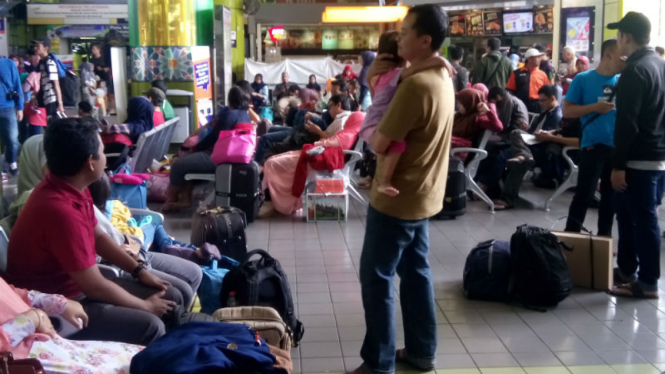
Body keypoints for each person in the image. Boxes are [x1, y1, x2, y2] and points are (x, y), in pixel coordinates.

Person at [6, 118, 180, 346]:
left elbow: (99, 237)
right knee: (151, 324)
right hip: (57, 306)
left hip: (78, 288)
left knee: (172, 296)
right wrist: (146, 306)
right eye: (102, 151)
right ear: (90, 162)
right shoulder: (59, 210)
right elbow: (94, 285)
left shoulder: (70, 186)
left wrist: (139, 270)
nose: (105, 158)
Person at [351, 6, 455, 374]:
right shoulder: (441, 75)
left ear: (425, 40)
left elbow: (381, 143)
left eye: (407, 30)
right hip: (423, 194)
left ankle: (378, 364)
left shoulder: (414, 87)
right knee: (416, 272)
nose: (399, 35)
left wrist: (372, 103)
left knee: (376, 278)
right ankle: (423, 351)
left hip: (396, 198)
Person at [607, 12, 665, 299]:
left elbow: (626, 122)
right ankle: (627, 270)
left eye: (619, 35)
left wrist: (618, 165)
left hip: (638, 159)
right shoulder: (660, 65)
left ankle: (648, 282)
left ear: (626, 37)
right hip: (657, 156)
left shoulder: (635, 69)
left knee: (642, 220)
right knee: (631, 216)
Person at [88, 174, 203, 309]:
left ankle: (170, 245)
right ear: (90, 163)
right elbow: (92, 260)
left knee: (194, 272)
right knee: (175, 293)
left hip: (133, 251)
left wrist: (135, 254)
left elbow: (115, 237)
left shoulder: (89, 205)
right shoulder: (71, 210)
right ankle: (169, 245)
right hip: (114, 265)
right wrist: (137, 267)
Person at [359, 31, 451, 196]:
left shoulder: (377, 75)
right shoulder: (396, 76)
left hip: (371, 121)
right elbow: (413, 69)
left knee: (390, 147)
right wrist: (439, 60)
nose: (403, 41)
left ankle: (379, 179)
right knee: (396, 144)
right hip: (375, 124)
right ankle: (384, 181)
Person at [0, 277, 143, 374]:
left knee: (142, 357)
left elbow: (14, 294)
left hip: (50, 343)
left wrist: (58, 302)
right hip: (24, 362)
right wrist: (32, 319)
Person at [562, 39, 623, 239]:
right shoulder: (583, 79)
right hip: (592, 145)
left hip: (617, 148)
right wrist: (593, 108)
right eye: (622, 56)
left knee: (610, 196)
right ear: (608, 55)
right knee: (584, 194)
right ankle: (571, 237)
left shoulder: (625, 80)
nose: (625, 61)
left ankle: (604, 239)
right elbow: (567, 111)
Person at [261, 112, 365, 217]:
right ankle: (275, 199)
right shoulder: (351, 133)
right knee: (273, 160)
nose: (347, 121)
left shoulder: (347, 134)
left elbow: (328, 143)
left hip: (316, 158)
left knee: (272, 163)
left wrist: (317, 142)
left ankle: (276, 202)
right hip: (317, 156)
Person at [164, 87, 251, 212]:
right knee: (188, 162)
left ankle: (172, 200)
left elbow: (213, 139)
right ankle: (184, 199)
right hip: (236, 158)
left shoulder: (229, 115)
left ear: (230, 100)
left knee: (178, 165)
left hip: (219, 158)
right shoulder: (245, 116)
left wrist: (193, 150)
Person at [496, 117, 581, 210]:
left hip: (556, 155)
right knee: (516, 133)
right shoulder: (569, 115)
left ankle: (506, 198)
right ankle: (524, 155)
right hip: (546, 146)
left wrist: (552, 138)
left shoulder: (583, 119)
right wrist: (545, 134)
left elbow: (581, 142)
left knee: (517, 159)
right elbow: (559, 130)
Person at [262, 94, 353, 163]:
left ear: (339, 105)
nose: (329, 110)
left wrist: (317, 130)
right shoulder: (344, 118)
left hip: (316, 147)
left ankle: (257, 175)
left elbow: (334, 143)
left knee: (271, 144)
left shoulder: (342, 121)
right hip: (315, 141)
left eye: (330, 106)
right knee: (298, 118)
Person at [507, 85, 564, 163]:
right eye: (539, 101)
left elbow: (546, 135)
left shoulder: (557, 115)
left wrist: (534, 133)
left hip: (540, 146)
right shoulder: (546, 112)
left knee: (515, 134)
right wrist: (527, 129)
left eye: (543, 100)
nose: (540, 103)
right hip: (534, 140)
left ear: (552, 99)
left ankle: (525, 156)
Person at [0, 55, 24, 176]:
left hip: (8, 107)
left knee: (12, 139)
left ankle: (12, 161)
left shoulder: (9, 64)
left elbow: (17, 85)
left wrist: (20, 107)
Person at [506, 48, 550, 113]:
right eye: (537, 57)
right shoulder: (516, 73)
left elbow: (547, 91)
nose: (540, 59)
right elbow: (510, 91)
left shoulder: (542, 74)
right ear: (530, 59)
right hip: (520, 104)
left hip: (538, 105)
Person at [33, 39, 63, 120]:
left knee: (52, 126)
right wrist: (36, 96)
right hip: (44, 98)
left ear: (46, 48)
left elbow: (56, 84)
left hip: (51, 99)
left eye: (38, 46)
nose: (35, 48)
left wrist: (60, 103)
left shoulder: (49, 62)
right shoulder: (41, 62)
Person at [90, 43, 115, 116]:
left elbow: (109, 67)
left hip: (106, 77)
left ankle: (110, 109)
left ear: (99, 50)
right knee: (98, 95)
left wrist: (103, 69)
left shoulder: (105, 58)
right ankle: (100, 110)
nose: (93, 51)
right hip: (97, 78)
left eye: (94, 49)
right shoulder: (92, 60)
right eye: (92, 49)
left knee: (109, 94)